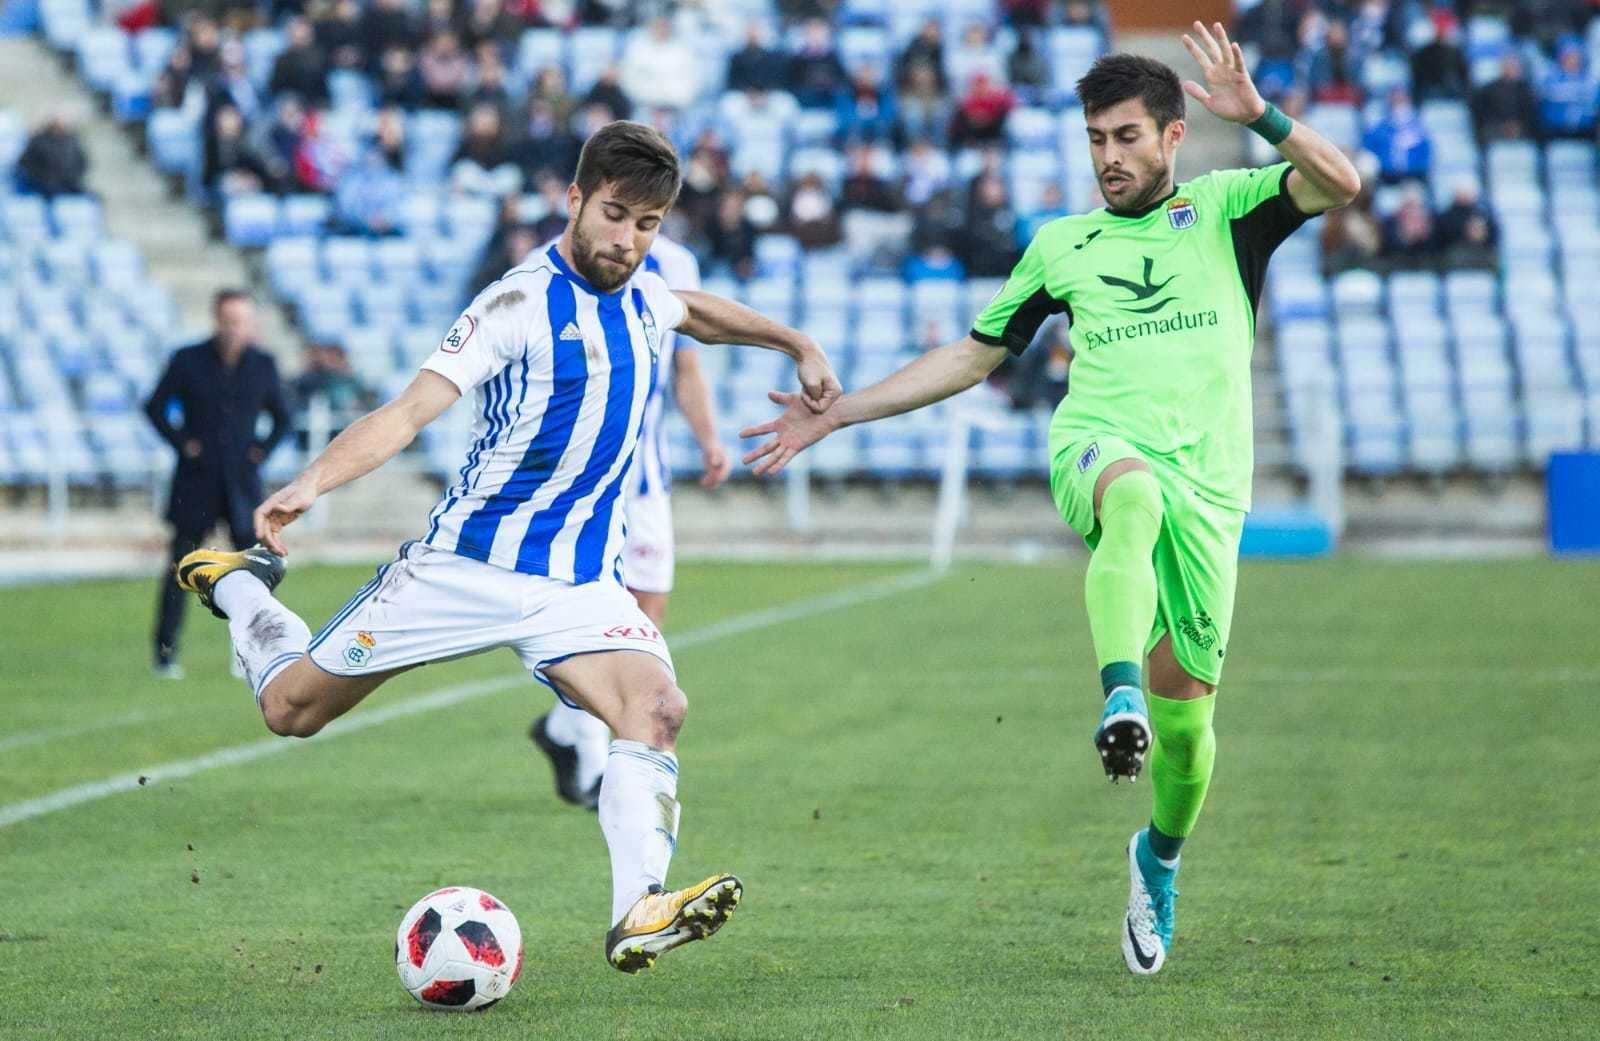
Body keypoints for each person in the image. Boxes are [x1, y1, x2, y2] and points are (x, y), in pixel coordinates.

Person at [738, 31, 1359, 977]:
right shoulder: (1061, 246)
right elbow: (975, 354)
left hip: (1213, 490)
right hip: (1096, 447)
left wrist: (1264, 118)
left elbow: (1341, 183)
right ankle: (1118, 693)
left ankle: (1157, 856)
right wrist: (843, 414)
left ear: (1174, 135)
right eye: (1094, 139)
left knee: (1189, 729)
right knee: (1132, 493)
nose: (1108, 156)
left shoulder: (1233, 210)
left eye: (1124, 137)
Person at [172, 121, 841, 974]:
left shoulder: (647, 289)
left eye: (648, 226)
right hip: (463, 567)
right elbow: (408, 411)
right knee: (290, 710)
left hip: (578, 583)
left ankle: (638, 907)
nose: (628, 240)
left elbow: (698, 311)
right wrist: (312, 482)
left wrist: (798, 342)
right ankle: (241, 592)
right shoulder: (515, 303)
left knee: (659, 709)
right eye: (614, 215)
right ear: (573, 199)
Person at [527, 233, 730, 811]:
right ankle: (593, 762)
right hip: (586, 479)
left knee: (648, 615)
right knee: (594, 612)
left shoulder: (677, 260)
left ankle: (566, 731)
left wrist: (708, 436)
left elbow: (686, 366)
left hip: (647, 476)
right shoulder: (552, 261)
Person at [144, 291, 292, 679]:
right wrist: (183, 444)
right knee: (181, 567)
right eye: (228, 320)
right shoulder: (188, 359)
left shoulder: (263, 365)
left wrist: (260, 451)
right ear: (216, 319)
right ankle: (165, 653)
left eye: (241, 320)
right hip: (196, 482)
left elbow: (284, 416)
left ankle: (254, 652)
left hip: (242, 485)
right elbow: (155, 406)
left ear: (251, 322)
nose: (234, 328)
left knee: (254, 570)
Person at [16, 114, 87, 197]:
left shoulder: (72, 142)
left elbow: (82, 163)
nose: (59, 126)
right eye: (56, 123)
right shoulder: (38, 141)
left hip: (68, 183)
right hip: (42, 185)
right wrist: (40, 178)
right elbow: (25, 163)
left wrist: (72, 177)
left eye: (61, 123)